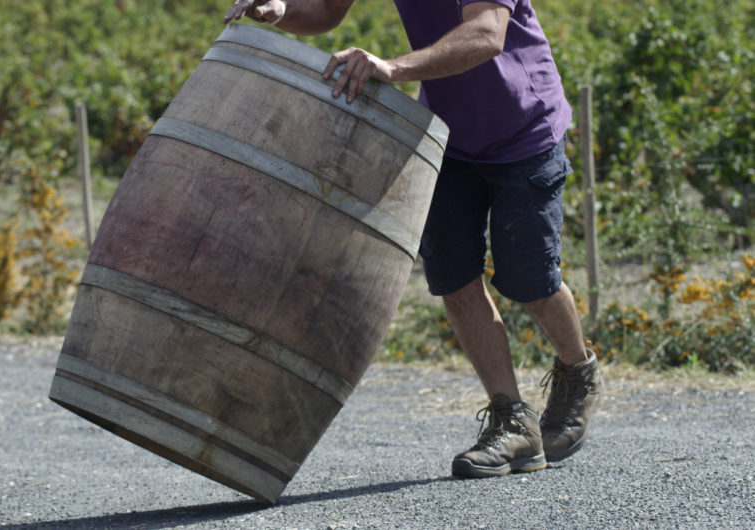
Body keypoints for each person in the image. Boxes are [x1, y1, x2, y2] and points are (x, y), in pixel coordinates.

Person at [224, 0, 603, 479]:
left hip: (524, 129)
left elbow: (487, 34)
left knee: (528, 279)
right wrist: (280, 8)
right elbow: (325, 11)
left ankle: (578, 373)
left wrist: (391, 68)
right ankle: (512, 422)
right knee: (453, 275)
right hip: (450, 137)